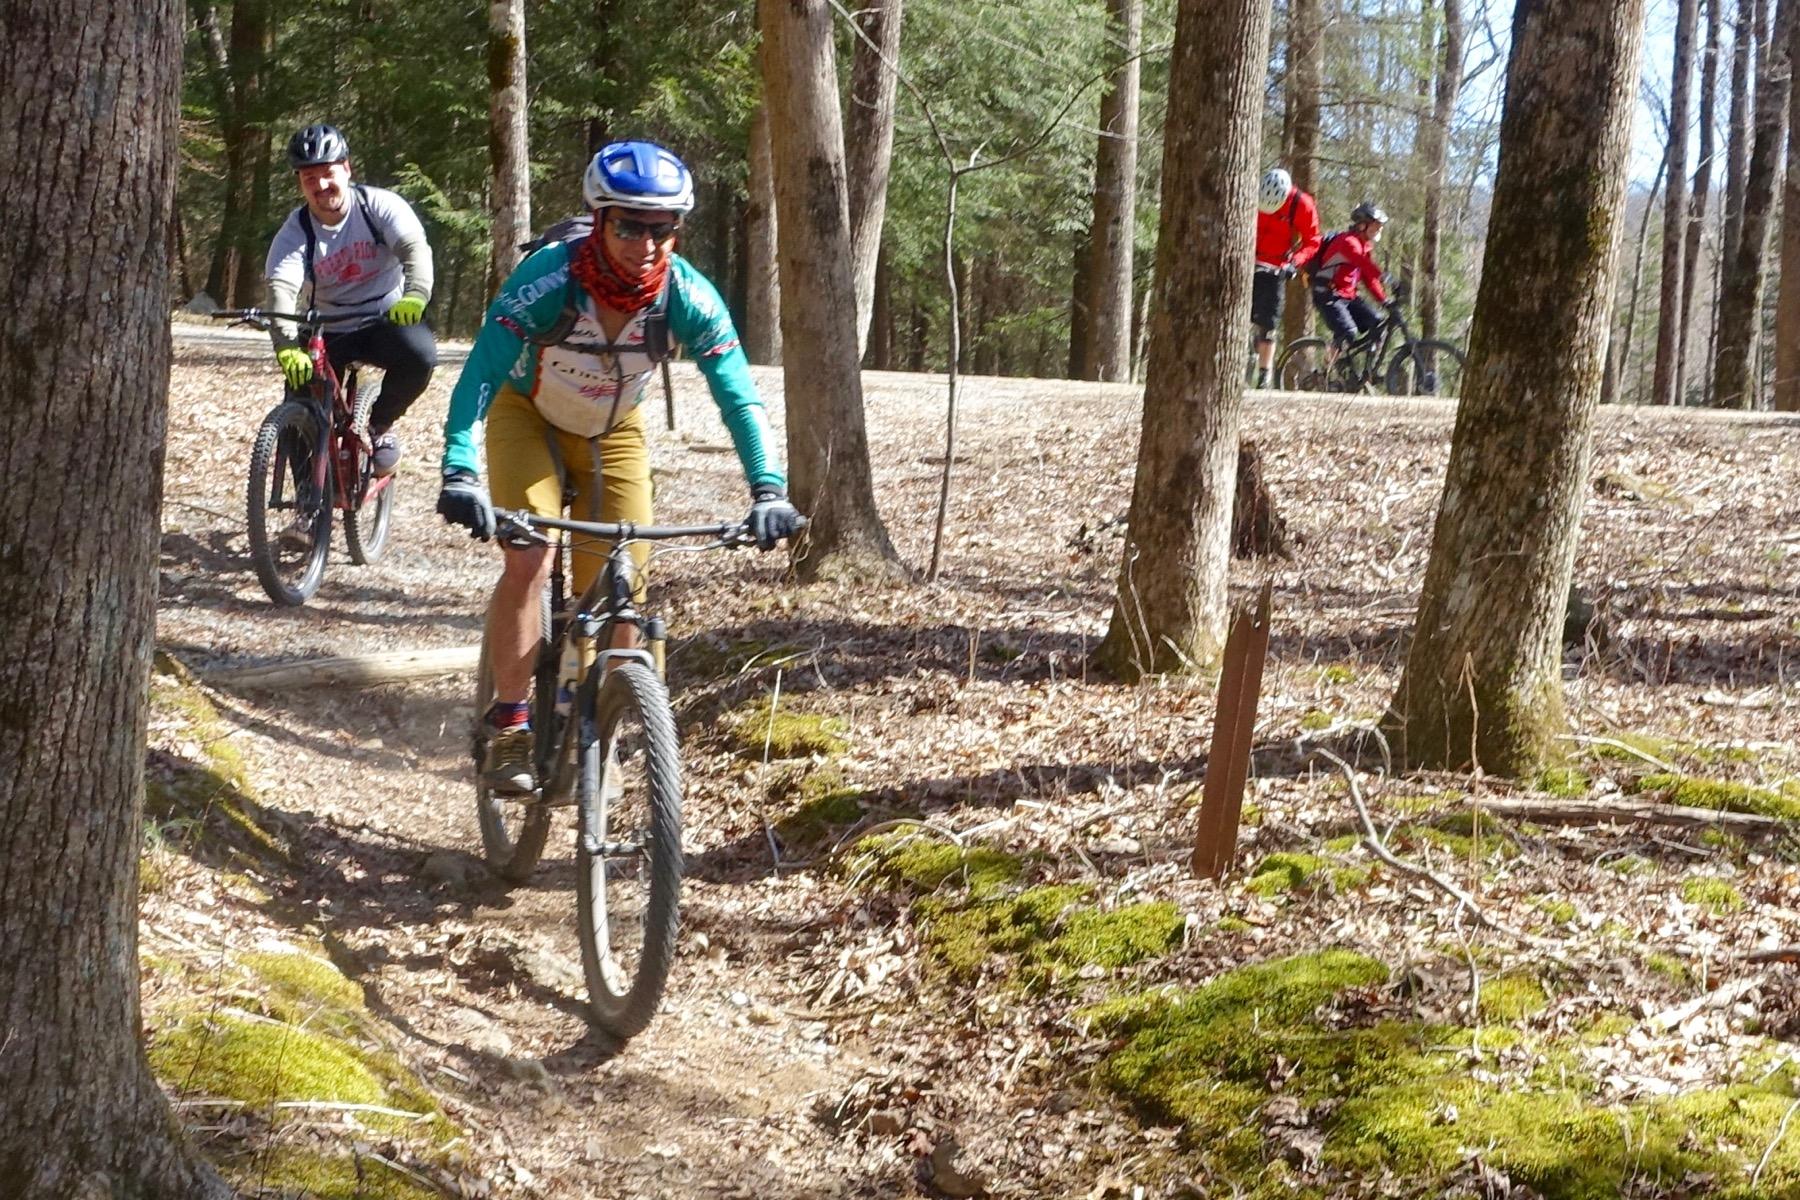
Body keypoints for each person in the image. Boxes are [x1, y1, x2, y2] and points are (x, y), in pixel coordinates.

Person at [436, 140, 803, 795]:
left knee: (622, 583)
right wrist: (458, 470)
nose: (648, 243)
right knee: (529, 554)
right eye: (630, 225)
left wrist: (767, 488)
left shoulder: (686, 295)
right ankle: (512, 726)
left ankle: (607, 727)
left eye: (663, 228)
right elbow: (481, 376)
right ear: (599, 220)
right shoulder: (550, 280)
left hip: (612, 433)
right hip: (530, 419)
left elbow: (737, 395)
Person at [264, 123, 437, 480]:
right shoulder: (295, 231)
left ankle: (378, 427)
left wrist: (415, 296)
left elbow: (415, 251)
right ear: (300, 182)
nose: (321, 185)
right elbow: (281, 288)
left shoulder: (380, 206)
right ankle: (306, 510)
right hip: (326, 328)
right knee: (299, 408)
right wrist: (285, 346)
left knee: (420, 356)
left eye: (328, 174)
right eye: (309, 178)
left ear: (346, 169)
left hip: (384, 319)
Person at [1251, 167, 1321, 389]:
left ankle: (1264, 374)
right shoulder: (1250, 192)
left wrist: (1295, 263)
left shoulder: (1302, 204)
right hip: (1248, 261)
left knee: (1269, 322)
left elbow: (1313, 241)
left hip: (1277, 266)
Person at [1308, 200, 1395, 359]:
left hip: (1348, 296)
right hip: (1328, 294)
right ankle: (1326, 372)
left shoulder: (1364, 246)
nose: (1379, 228)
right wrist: (1387, 278)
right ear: (1362, 225)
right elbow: (1364, 264)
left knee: (1378, 323)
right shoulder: (1348, 242)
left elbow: (1369, 279)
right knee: (1347, 331)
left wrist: (1384, 301)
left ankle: (1367, 372)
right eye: (1376, 224)